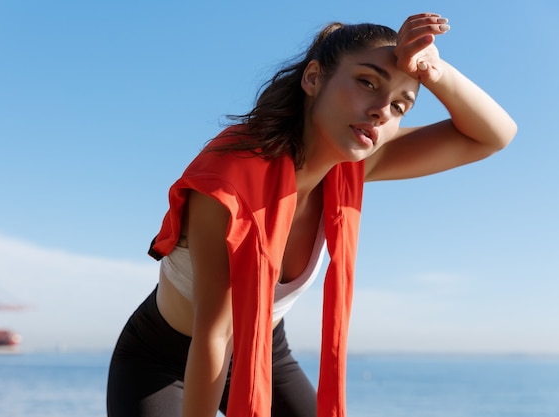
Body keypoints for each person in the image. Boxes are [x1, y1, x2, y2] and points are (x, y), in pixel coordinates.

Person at [106, 12, 517, 417]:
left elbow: (494, 135)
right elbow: (214, 334)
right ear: (313, 77)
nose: (381, 110)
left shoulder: (354, 166)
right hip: (162, 360)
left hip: (266, 351)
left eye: (399, 106)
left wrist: (434, 70)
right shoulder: (227, 180)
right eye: (367, 82)